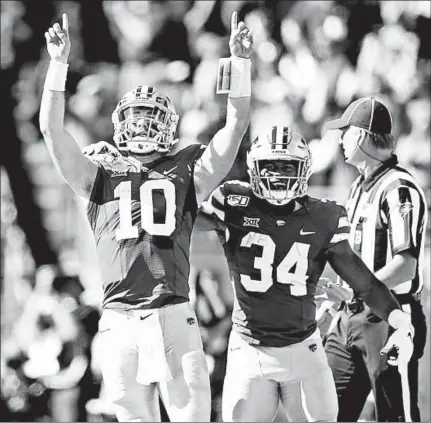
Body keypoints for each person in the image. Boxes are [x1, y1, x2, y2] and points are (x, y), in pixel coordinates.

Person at [39, 11, 253, 422]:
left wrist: (239, 63)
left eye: (149, 118)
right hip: (122, 319)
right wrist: (59, 63)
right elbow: (51, 131)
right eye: (135, 117)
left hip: (168, 313)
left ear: (168, 127)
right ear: (120, 124)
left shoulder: (184, 167)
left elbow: (234, 128)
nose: (141, 125)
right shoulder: (100, 169)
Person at [196, 125, 415, 422]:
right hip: (250, 350)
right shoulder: (233, 202)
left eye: (287, 167)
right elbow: (182, 219)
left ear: (304, 170)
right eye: (269, 167)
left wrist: (399, 320)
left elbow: (364, 282)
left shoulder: (323, 215)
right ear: (253, 168)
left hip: (304, 350)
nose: (277, 175)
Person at [323, 97, 428, 422]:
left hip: (390, 315)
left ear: (362, 135)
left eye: (345, 131)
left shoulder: (399, 188)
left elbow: (405, 264)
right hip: (350, 318)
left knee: (395, 416)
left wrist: (357, 290)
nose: (340, 139)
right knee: (325, 412)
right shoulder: (357, 187)